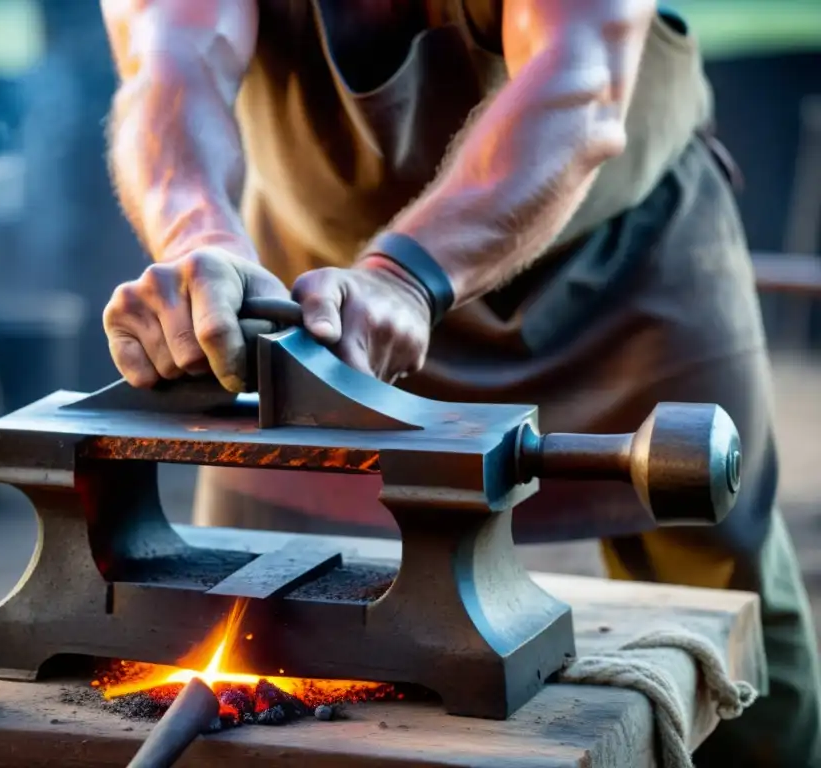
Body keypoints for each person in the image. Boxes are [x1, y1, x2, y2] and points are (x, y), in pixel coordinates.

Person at [98, 1, 821, 764]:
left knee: (727, 615)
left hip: (621, 269)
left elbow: (577, 82)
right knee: (246, 608)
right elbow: (170, 68)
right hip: (316, 305)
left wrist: (405, 279)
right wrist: (199, 241)